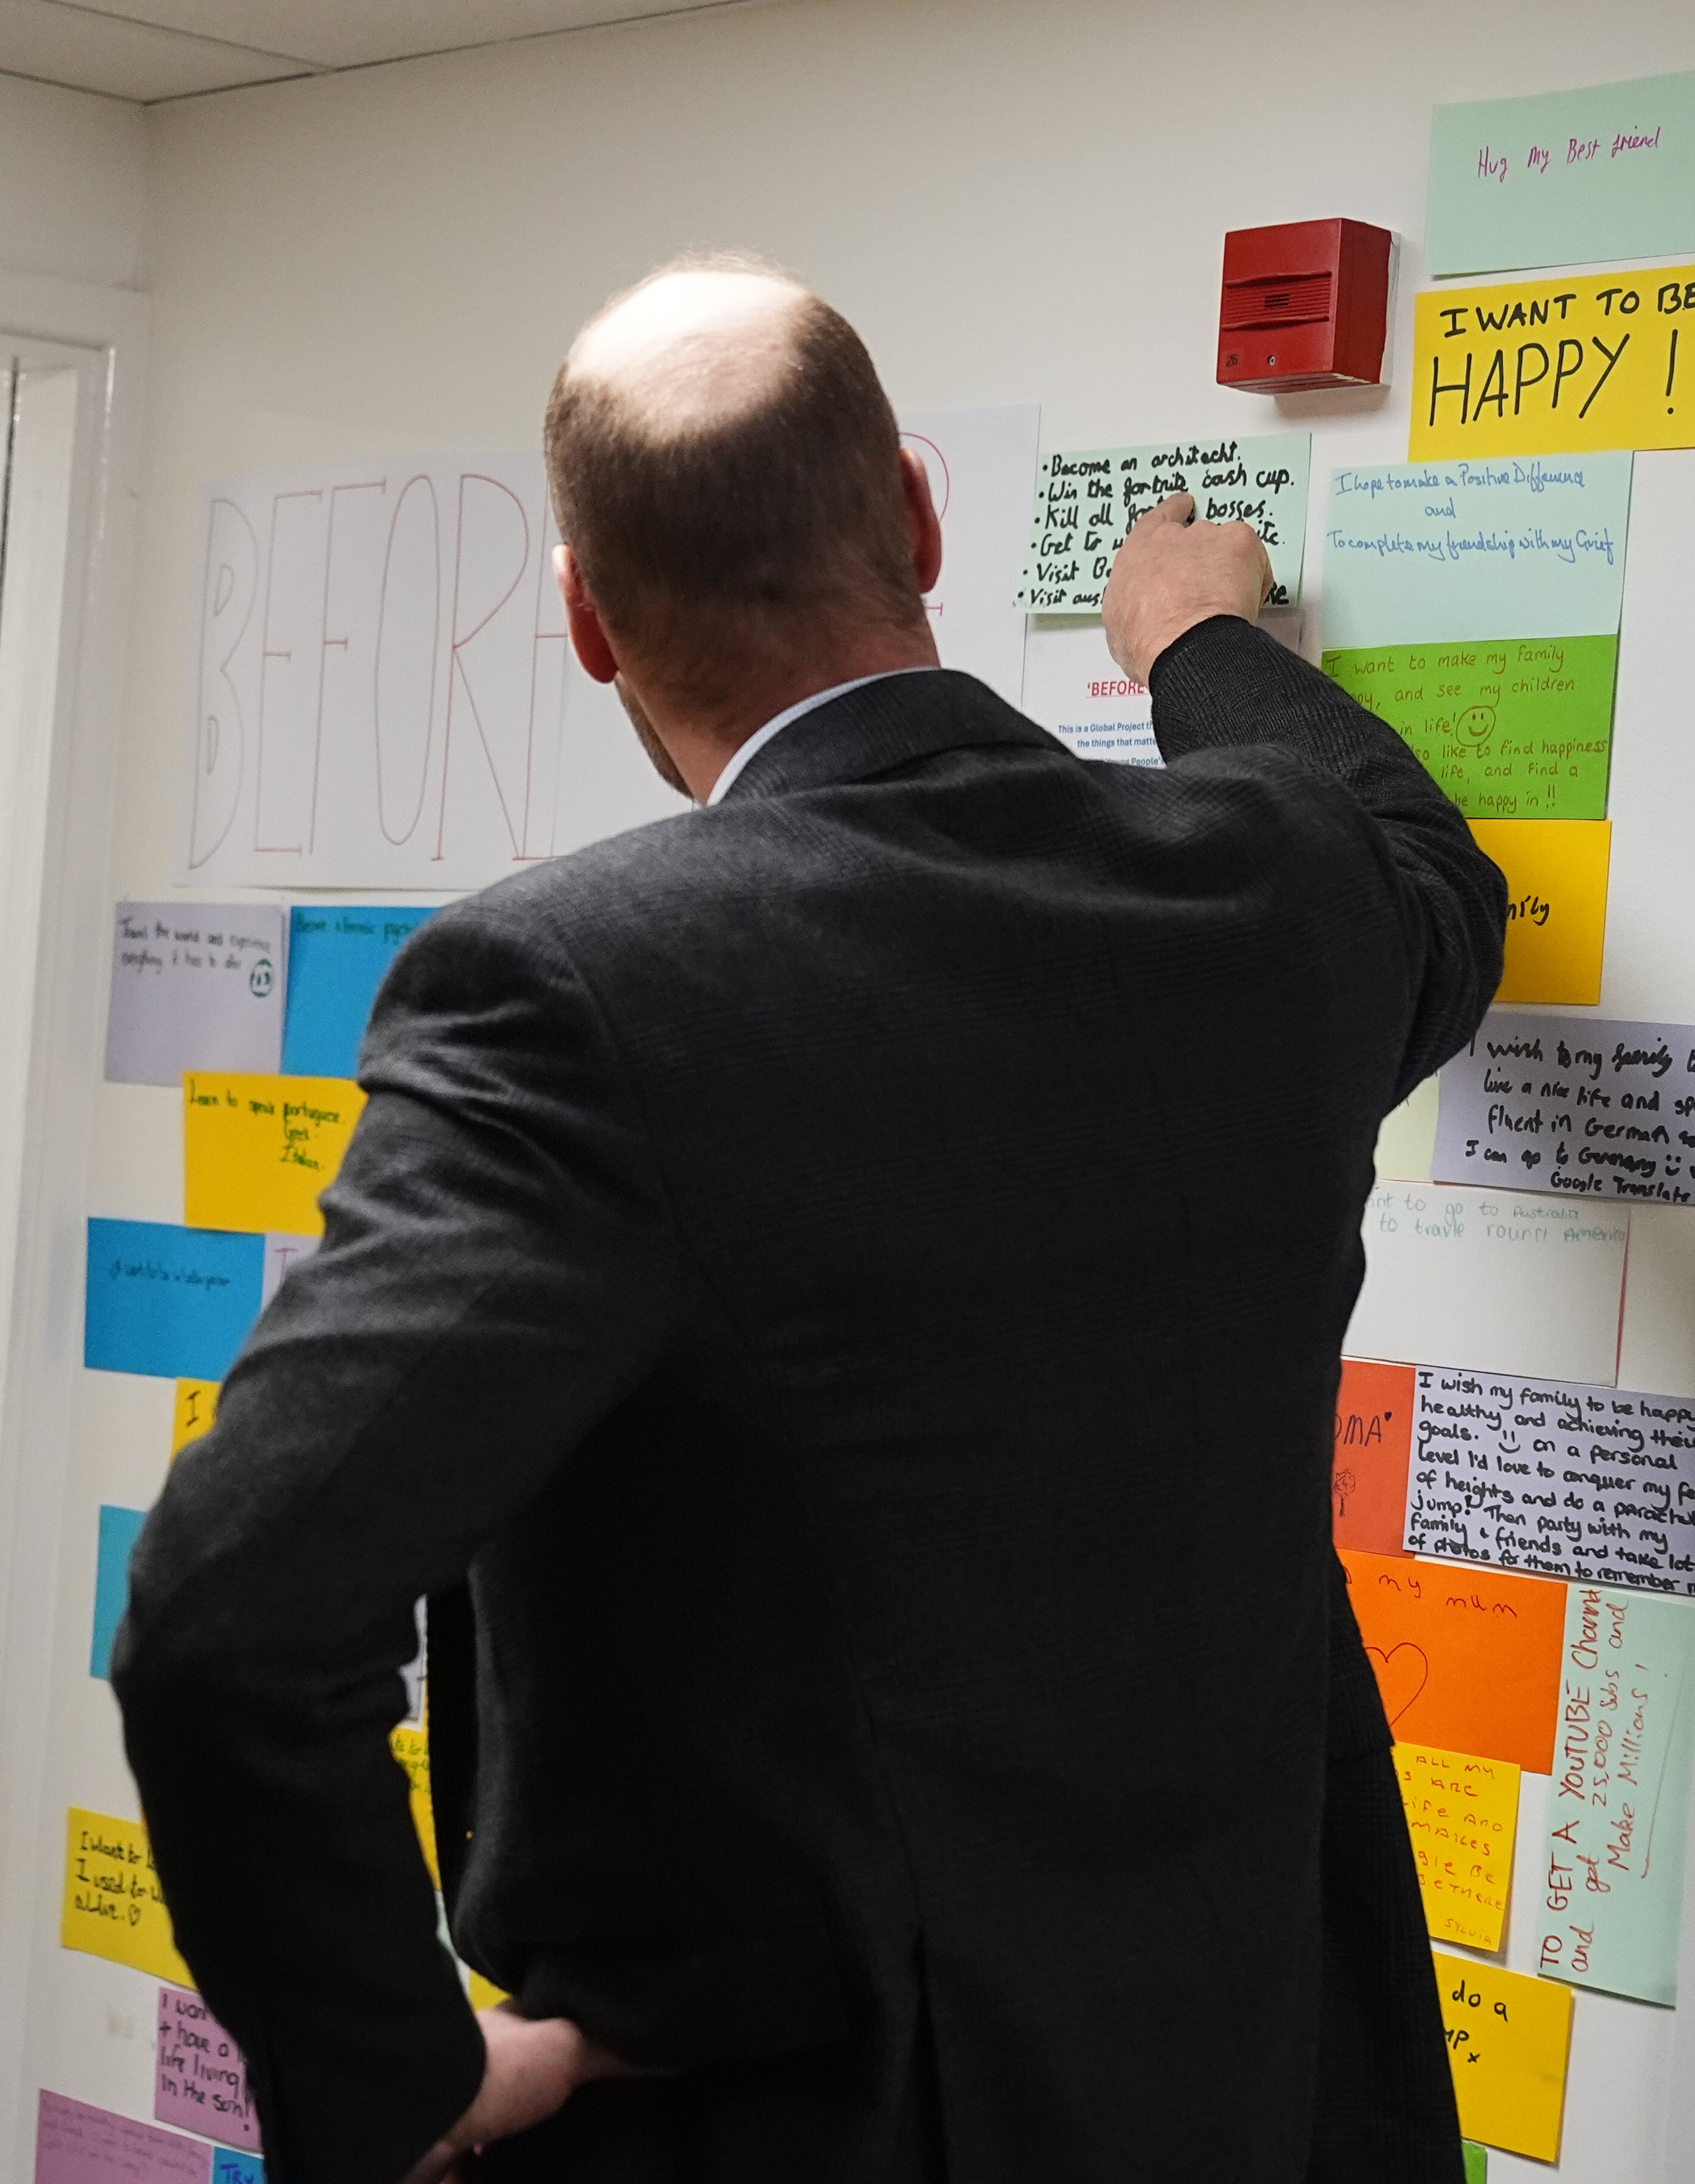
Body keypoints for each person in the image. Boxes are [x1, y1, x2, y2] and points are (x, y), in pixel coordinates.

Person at [112, 258, 1505, 2184]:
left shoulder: (572, 989)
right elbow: (1429, 865)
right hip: (1252, 2092)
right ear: (919, 512)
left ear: (591, 622)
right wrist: (1200, 643)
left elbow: (228, 1617)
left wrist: (396, 2080)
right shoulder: (1266, 899)